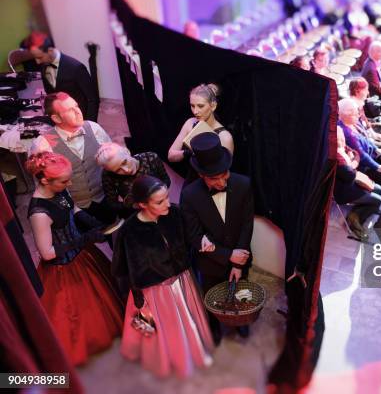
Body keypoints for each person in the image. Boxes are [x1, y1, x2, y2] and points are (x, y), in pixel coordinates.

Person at [26, 152, 123, 366]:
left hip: (82, 256)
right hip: (62, 267)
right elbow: (47, 253)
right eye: (64, 181)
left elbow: (73, 207)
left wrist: (89, 221)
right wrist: (83, 238)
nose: (69, 183)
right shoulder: (38, 213)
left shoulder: (59, 188)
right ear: (44, 180)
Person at [113, 175, 214, 377]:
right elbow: (123, 268)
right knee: (163, 328)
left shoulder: (174, 213)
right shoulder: (129, 231)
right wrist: (138, 297)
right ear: (142, 204)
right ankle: (172, 359)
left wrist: (202, 241)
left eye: (167, 196)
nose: (168, 203)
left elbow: (190, 236)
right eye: (160, 202)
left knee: (188, 320)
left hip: (182, 280)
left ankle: (194, 351)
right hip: (155, 291)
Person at [181, 133, 254, 343]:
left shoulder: (243, 184)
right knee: (212, 296)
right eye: (215, 178)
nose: (222, 182)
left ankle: (241, 322)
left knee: (240, 292)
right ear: (202, 175)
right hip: (211, 262)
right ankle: (213, 326)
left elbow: (246, 225)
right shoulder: (189, 195)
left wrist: (239, 263)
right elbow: (194, 236)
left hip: (241, 255)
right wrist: (228, 256)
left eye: (225, 174)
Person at [30, 92, 115, 225]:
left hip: (104, 197)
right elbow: (44, 187)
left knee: (112, 234)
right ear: (56, 118)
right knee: (85, 243)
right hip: (73, 208)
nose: (78, 112)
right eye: (70, 110)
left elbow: (112, 160)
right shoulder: (43, 144)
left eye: (76, 106)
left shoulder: (94, 128)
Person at [25, 32, 100, 121]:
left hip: (78, 116)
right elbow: (50, 93)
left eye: (40, 57)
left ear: (50, 51)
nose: (37, 62)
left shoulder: (76, 68)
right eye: (35, 58)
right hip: (60, 116)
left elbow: (92, 99)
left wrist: (89, 124)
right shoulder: (43, 65)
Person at [168, 83, 233, 183]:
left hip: (213, 187)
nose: (195, 111)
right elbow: (171, 156)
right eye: (192, 106)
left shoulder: (224, 137)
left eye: (200, 106)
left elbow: (224, 175)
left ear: (213, 106)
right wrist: (188, 152)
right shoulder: (190, 123)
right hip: (191, 184)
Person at [96, 142, 171, 218]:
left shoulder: (151, 158)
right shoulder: (108, 175)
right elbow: (112, 204)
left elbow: (166, 180)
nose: (126, 170)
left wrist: (159, 194)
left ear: (127, 151)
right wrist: (132, 205)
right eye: (118, 170)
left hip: (161, 206)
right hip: (137, 215)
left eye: (124, 162)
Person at [335, 127, 381, 240]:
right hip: (343, 190)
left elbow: (354, 152)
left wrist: (353, 162)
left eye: (342, 136)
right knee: (378, 201)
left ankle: (356, 212)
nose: (342, 140)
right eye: (340, 138)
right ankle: (355, 219)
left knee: (379, 190)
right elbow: (349, 175)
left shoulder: (341, 147)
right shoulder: (335, 157)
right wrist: (354, 162)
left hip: (352, 181)